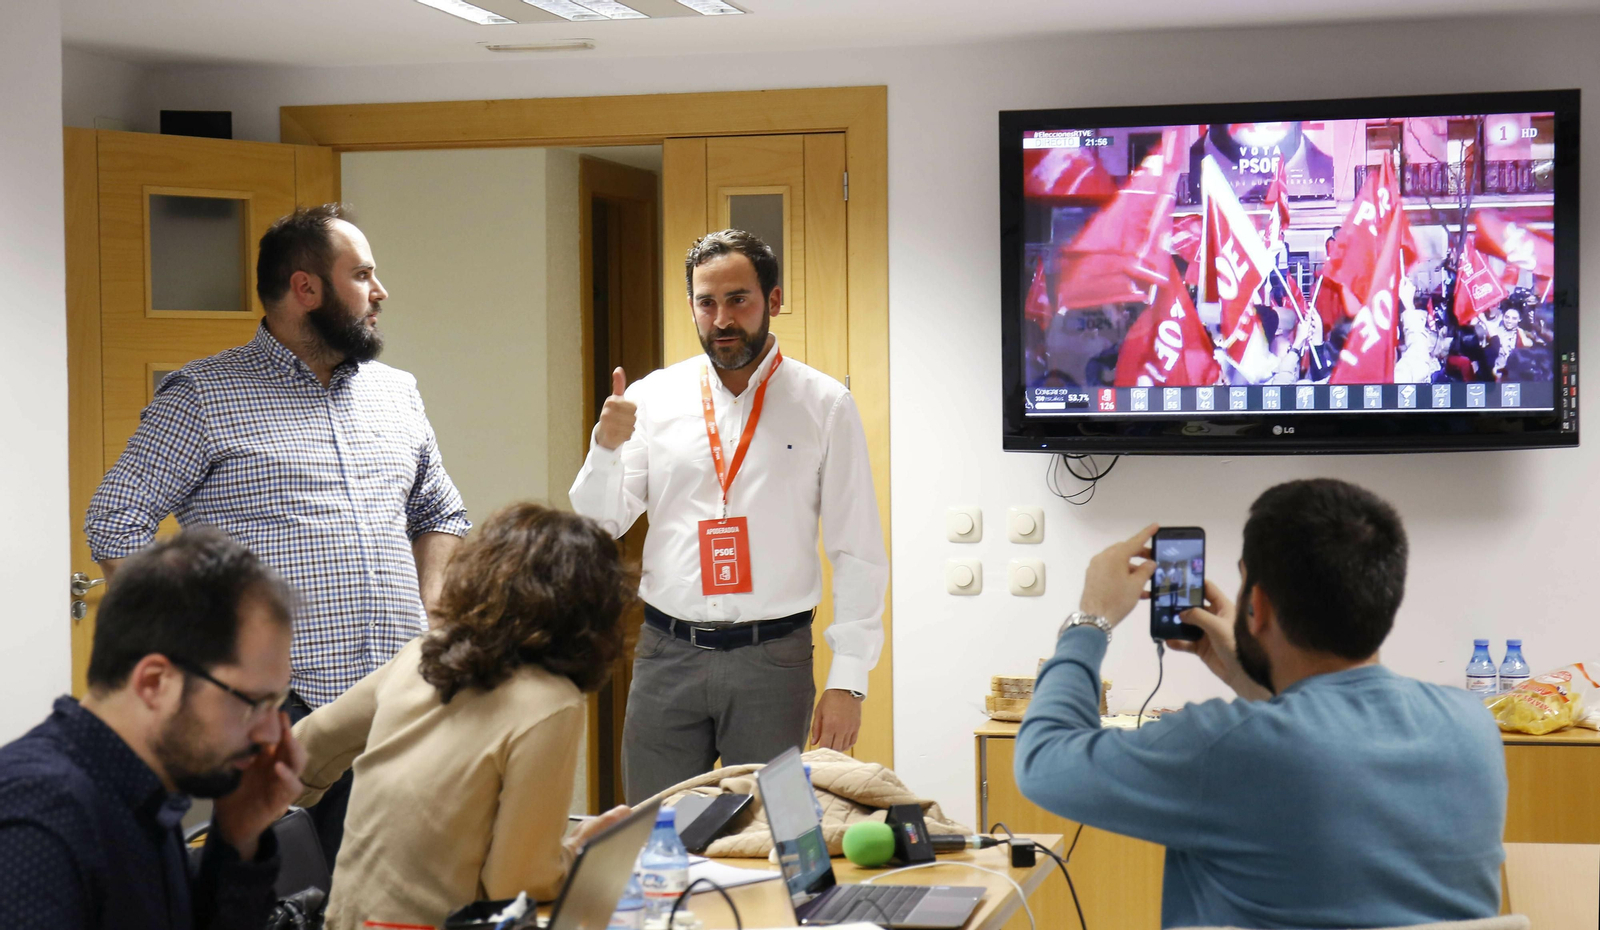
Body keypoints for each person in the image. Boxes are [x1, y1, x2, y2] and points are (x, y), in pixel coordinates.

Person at [84, 203, 471, 863]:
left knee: (398, 891)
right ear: (306, 288)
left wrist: (433, 613)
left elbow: (439, 511)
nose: (380, 292)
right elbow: (115, 520)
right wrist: (202, 651)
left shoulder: (397, 393)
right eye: (362, 275)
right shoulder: (204, 396)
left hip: (400, 701)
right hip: (277, 714)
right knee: (283, 895)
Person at [1015, 479, 1506, 928]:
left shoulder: (1221, 745)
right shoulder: (1471, 726)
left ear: (1259, 606)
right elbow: (1325, 746)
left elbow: (1042, 759)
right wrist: (1246, 676)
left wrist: (1091, 620)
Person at [570, 229, 889, 803]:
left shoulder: (824, 405)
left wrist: (849, 681)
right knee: (656, 832)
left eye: (738, 299)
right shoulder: (653, 397)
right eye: (706, 302)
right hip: (666, 654)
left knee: (775, 835)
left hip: (774, 661)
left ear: (774, 299)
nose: (721, 319)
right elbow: (600, 523)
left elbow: (857, 549)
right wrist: (606, 447)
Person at [289, 503, 634, 930]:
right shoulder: (551, 703)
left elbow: (306, 748)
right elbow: (517, 882)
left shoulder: (421, 655)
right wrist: (580, 852)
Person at [0, 527, 306, 930]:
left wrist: (240, 837)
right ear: (155, 683)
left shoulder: (141, 791)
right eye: (254, 703)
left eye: (276, 703)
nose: (270, 734)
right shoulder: (41, 816)